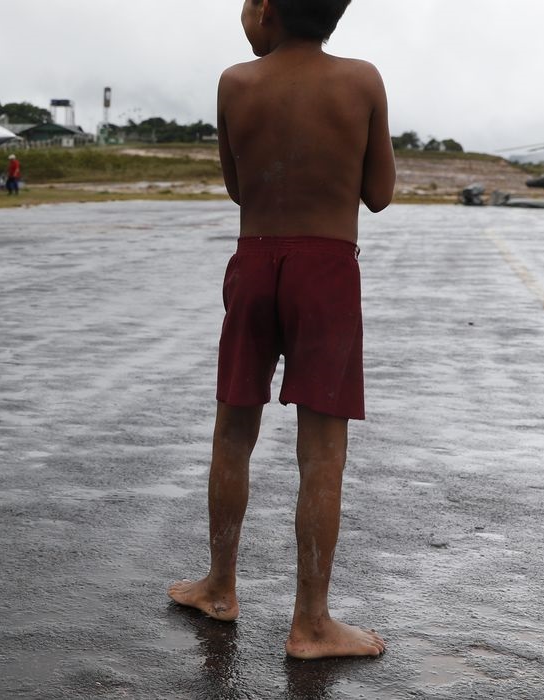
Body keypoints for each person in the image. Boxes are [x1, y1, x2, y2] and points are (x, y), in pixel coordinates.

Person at [167, 0, 395, 661]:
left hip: (255, 260)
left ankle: (220, 586)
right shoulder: (362, 80)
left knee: (233, 432)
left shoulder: (236, 83)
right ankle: (312, 623)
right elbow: (378, 194)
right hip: (325, 271)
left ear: (267, 9)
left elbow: (239, 187)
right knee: (321, 453)